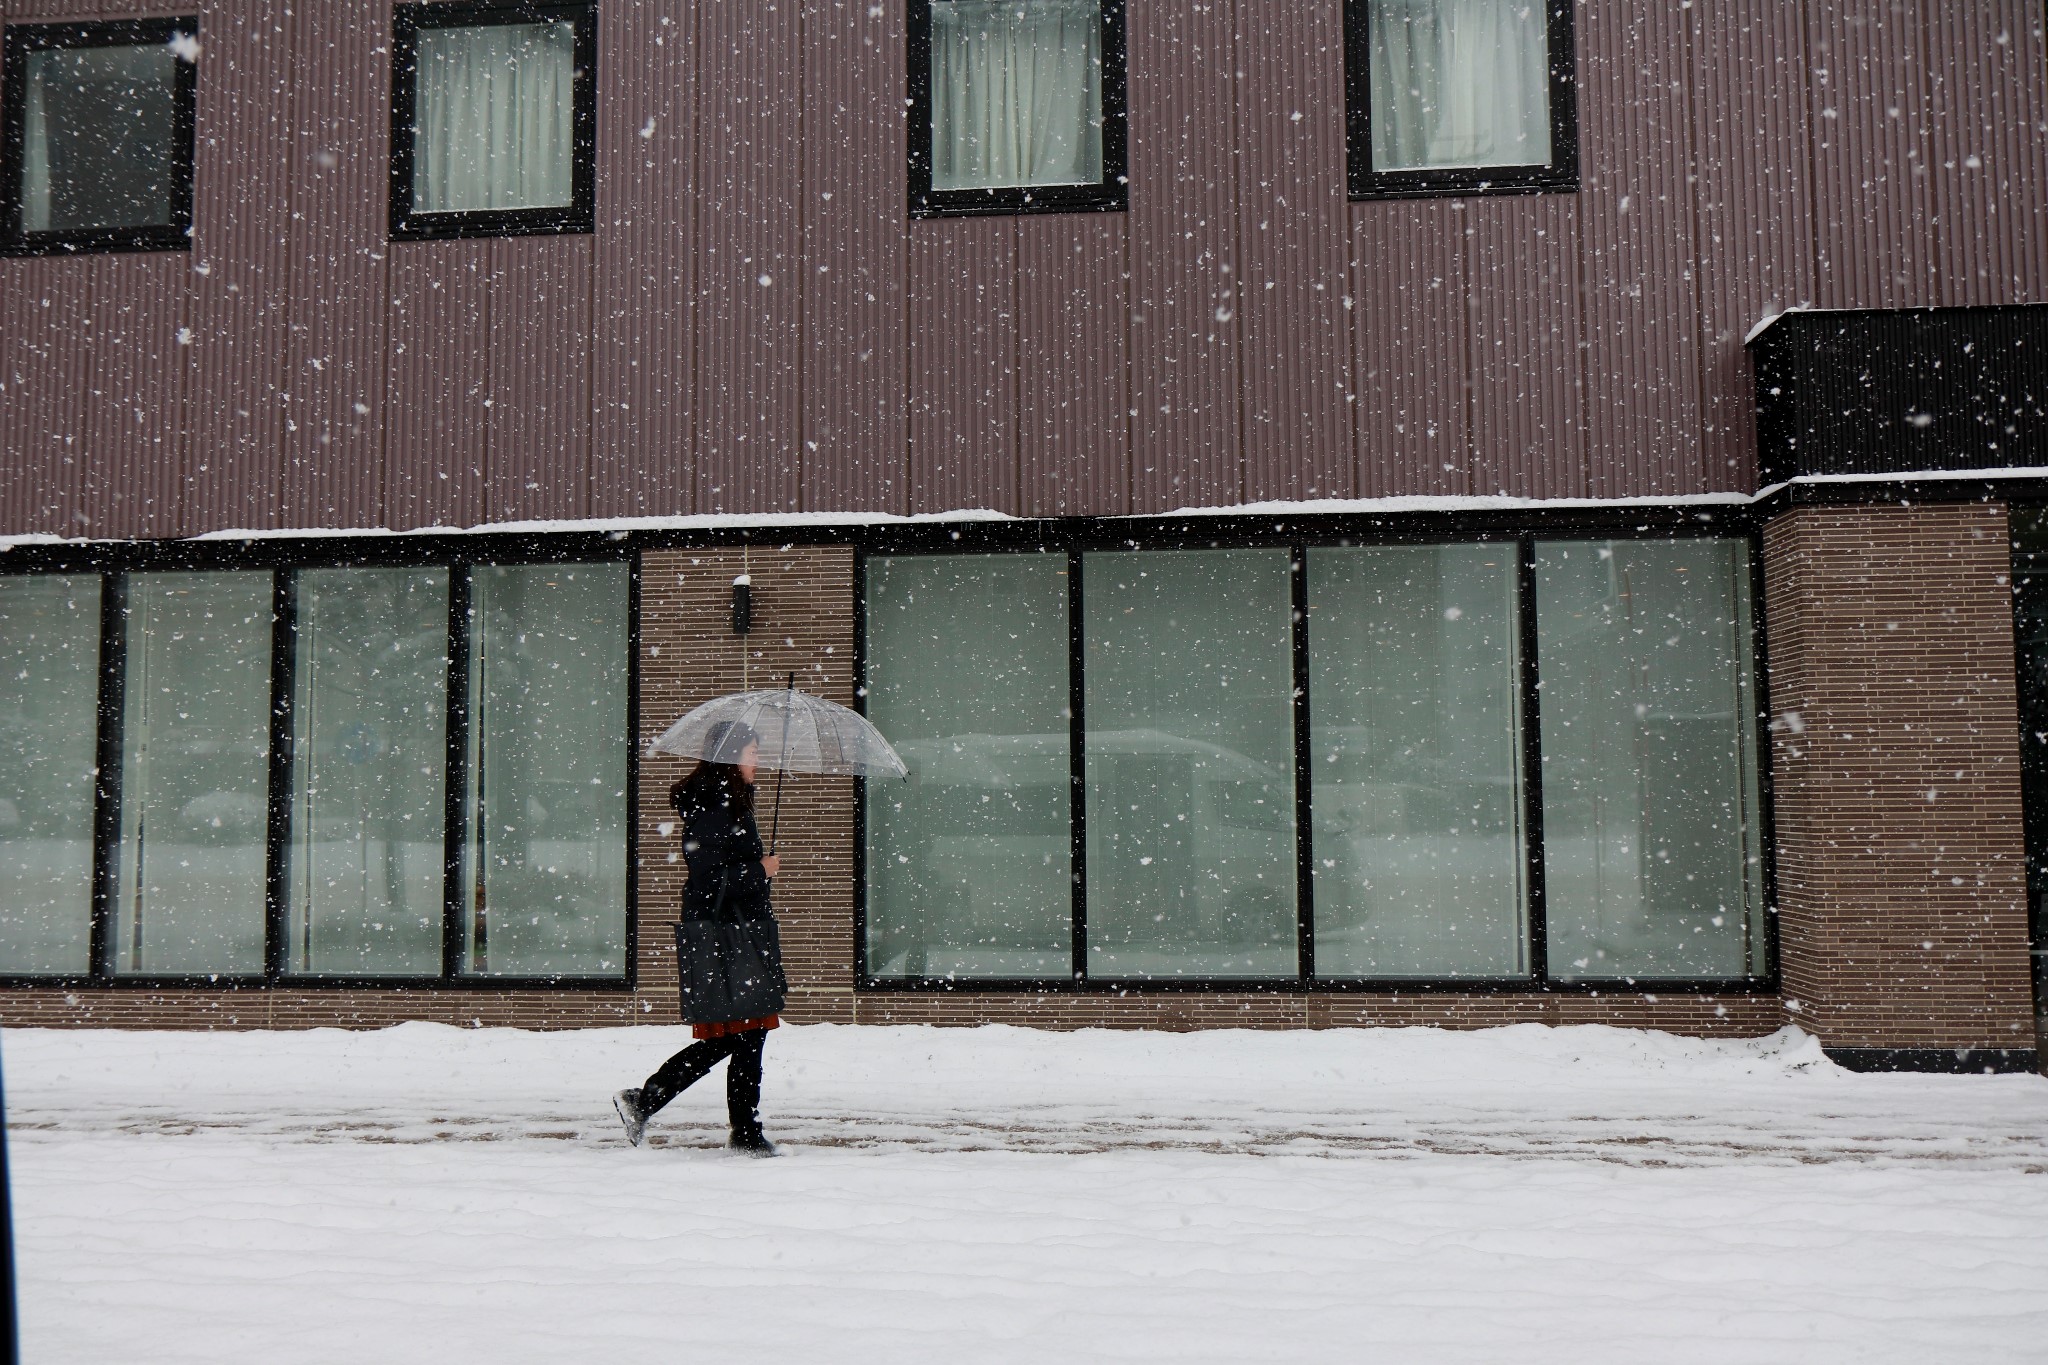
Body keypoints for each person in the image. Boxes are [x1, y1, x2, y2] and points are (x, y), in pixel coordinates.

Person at [614, 720, 782, 1156]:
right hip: (724, 934)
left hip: (738, 931)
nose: (757, 762)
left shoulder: (731, 803)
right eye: (752, 753)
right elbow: (706, 880)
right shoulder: (712, 807)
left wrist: (754, 871)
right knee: (737, 1032)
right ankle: (662, 1104)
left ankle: (736, 1127)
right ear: (730, 757)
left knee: (745, 1032)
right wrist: (758, 871)